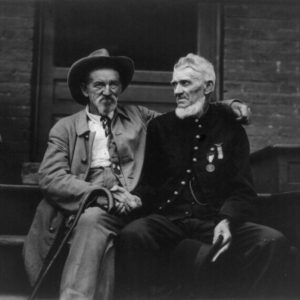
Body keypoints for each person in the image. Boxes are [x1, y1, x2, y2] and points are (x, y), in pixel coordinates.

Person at [23, 49, 250, 300]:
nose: (107, 91)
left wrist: (230, 106)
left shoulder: (139, 116)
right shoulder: (65, 128)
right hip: (92, 201)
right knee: (92, 221)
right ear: (85, 89)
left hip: (135, 200)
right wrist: (100, 194)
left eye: (113, 84)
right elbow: (51, 177)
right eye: (99, 85)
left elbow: (188, 111)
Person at [116, 53, 291, 299]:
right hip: (170, 219)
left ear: (208, 86)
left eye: (185, 83)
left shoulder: (231, 129)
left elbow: (242, 190)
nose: (177, 91)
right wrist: (134, 198)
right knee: (133, 235)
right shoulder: (160, 127)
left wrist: (226, 220)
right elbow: (151, 184)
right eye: (174, 84)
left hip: (214, 220)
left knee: (272, 241)